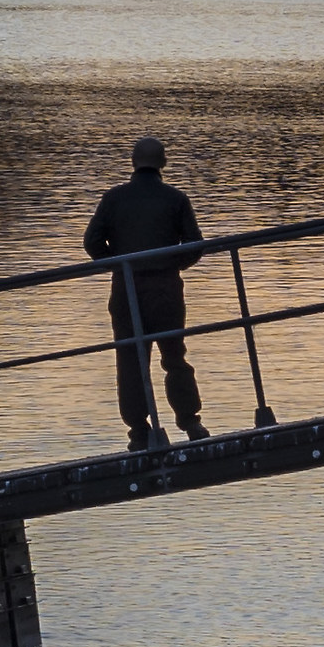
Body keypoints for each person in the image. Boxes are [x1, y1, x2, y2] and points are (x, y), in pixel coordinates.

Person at [83, 137, 209, 448]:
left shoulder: (114, 199)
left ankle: (138, 430)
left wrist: (118, 264)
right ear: (163, 163)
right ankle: (190, 421)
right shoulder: (175, 199)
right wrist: (170, 264)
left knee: (130, 359)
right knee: (174, 356)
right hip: (165, 288)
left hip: (127, 289)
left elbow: (92, 241)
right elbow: (195, 244)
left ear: (133, 162)